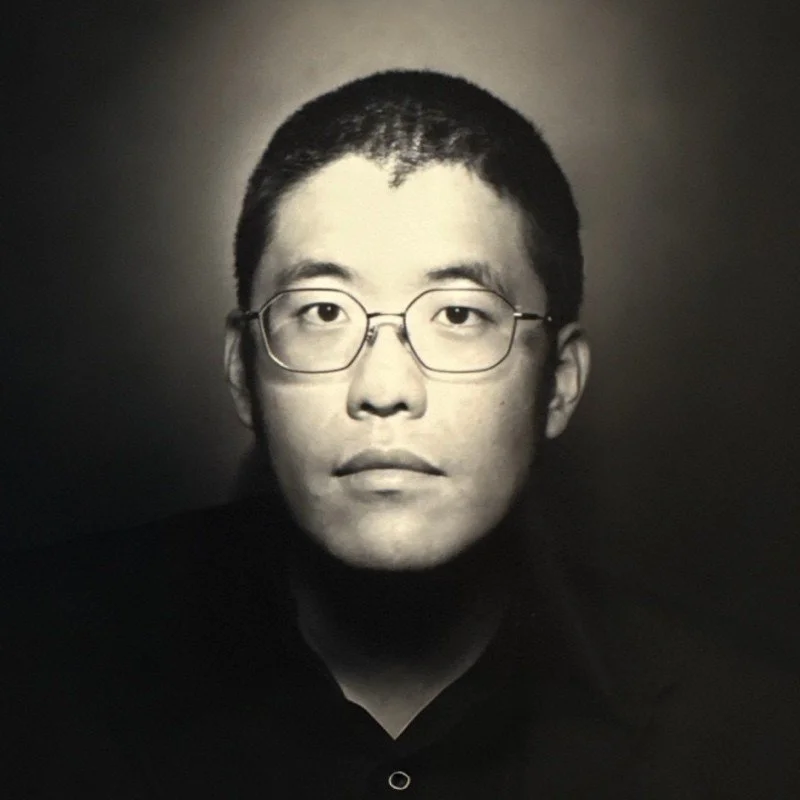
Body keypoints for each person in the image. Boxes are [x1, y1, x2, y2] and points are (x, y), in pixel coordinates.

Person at [4, 69, 799, 799]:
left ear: (558, 383)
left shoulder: (748, 742)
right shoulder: (36, 676)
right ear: (245, 372)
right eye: (322, 312)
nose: (383, 389)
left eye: (459, 315)